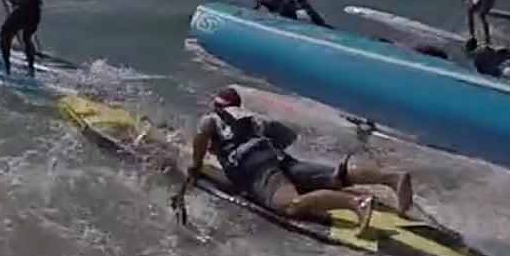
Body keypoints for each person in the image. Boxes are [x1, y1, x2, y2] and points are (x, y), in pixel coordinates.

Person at [175, 87, 412, 230]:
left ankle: (355, 203)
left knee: (290, 205)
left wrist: (195, 167)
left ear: (217, 106)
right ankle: (392, 178)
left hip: (259, 170)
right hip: (280, 159)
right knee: (336, 176)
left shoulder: (211, 119)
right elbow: (287, 136)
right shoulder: (253, 119)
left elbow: (200, 142)